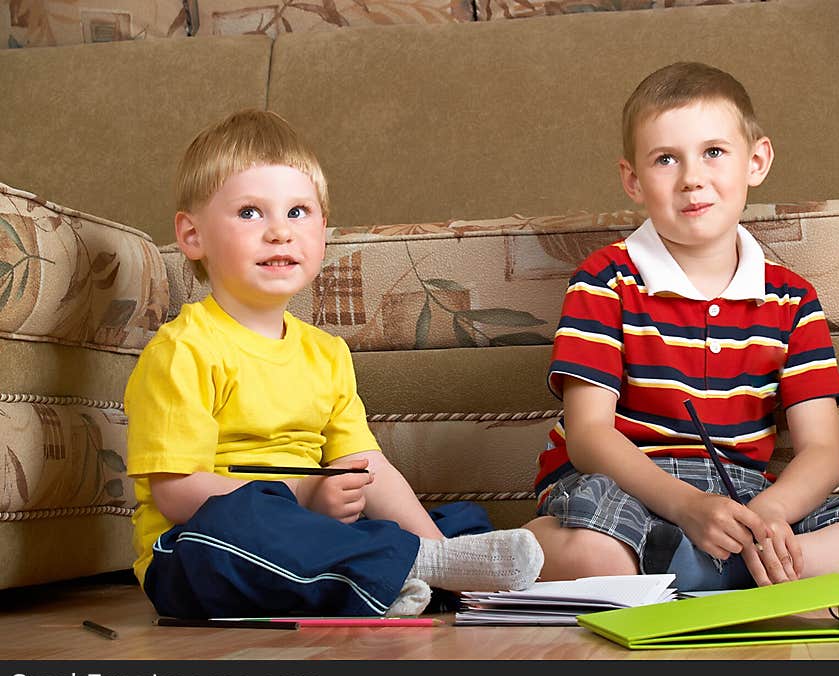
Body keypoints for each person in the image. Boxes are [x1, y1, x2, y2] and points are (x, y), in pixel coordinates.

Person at [124, 108, 543, 619]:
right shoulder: (184, 349)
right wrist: (300, 495)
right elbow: (176, 492)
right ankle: (393, 573)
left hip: (310, 527)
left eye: (297, 211)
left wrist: (434, 542)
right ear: (193, 236)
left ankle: (420, 567)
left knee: (458, 519)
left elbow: (365, 466)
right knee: (247, 520)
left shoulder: (326, 353)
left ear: (324, 228)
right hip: (194, 549)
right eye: (251, 213)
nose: (279, 231)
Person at [524, 62, 839, 592]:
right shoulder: (604, 281)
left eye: (714, 152)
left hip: (746, 498)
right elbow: (589, 435)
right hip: (625, 489)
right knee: (589, 550)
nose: (692, 178)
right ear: (633, 180)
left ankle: (721, 571)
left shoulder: (793, 299)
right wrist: (688, 507)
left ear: (755, 160)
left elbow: (823, 451)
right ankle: (722, 576)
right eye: (666, 159)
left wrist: (766, 521)